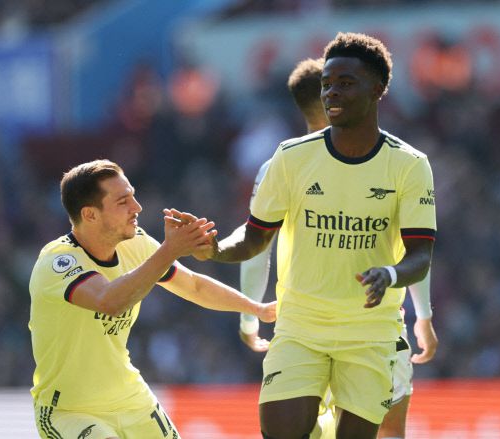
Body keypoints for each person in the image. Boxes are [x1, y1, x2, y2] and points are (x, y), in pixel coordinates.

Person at [177, 32, 437, 439]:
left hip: (370, 333)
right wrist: (214, 249)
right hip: (300, 328)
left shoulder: (409, 165)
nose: (332, 92)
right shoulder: (291, 157)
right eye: (327, 84)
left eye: (345, 83)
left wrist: (389, 275)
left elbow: (420, 256)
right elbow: (255, 239)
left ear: (377, 89)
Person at [28, 159, 276, 439]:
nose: (137, 207)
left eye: (133, 196)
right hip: (70, 410)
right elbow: (110, 302)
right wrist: (169, 250)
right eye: (123, 201)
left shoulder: (135, 243)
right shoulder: (57, 262)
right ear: (90, 215)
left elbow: (194, 286)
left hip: (131, 398)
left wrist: (257, 308)